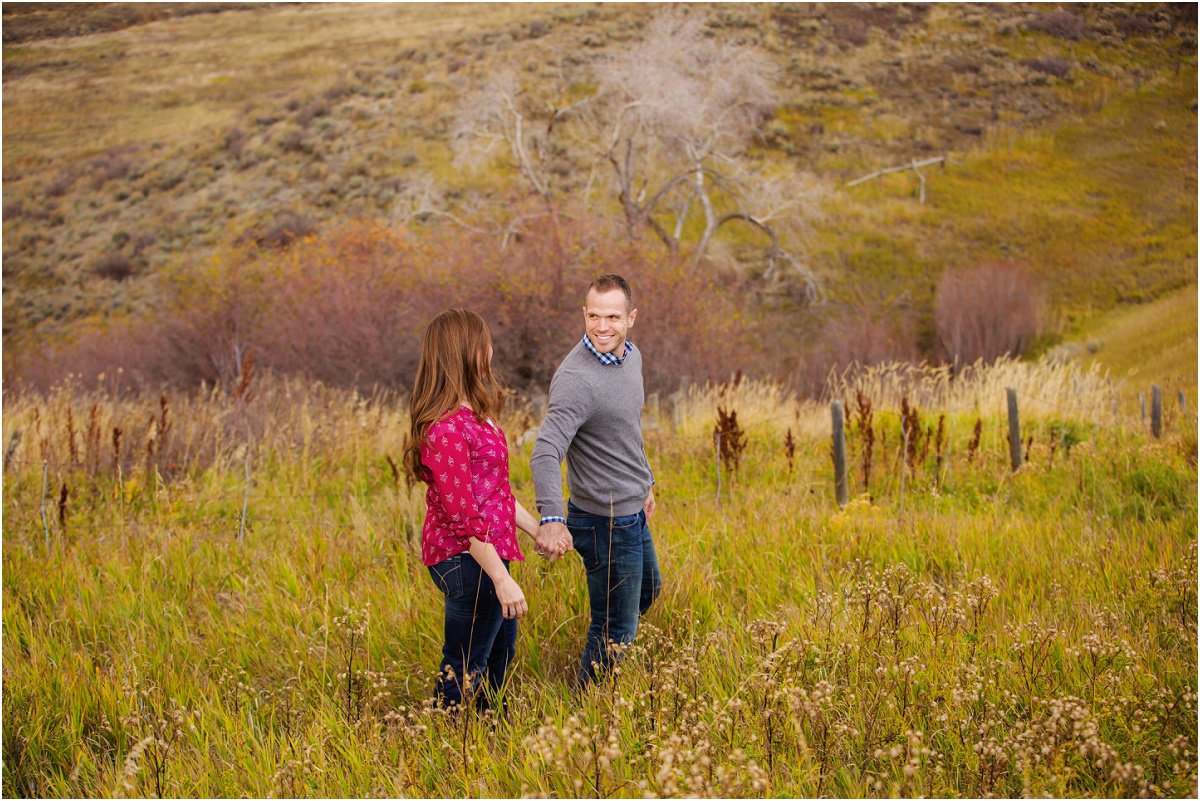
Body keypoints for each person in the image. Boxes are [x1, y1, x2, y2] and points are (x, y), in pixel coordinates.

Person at [404, 309, 566, 712]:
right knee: (464, 665)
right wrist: (500, 578)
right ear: (463, 351)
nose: (491, 350)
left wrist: (538, 529)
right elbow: (464, 516)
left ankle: (490, 738)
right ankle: (447, 744)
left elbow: (495, 495)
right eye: (484, 342)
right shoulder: (445, 428)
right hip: (466, 558)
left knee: (499, 657)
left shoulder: (476, 416)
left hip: (489, 552)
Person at [531, 273, 662, 688]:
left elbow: (627, 431)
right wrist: (551, 518)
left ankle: (602, 655)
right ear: (583, 314)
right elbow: (545, 451)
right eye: (593, 316)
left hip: (631, 510)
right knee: (614, 633)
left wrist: (646, 483)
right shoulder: (577, 380)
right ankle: (584, 713)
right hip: (603, 521)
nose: (602, 327)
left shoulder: (631, 357)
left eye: (612, 316)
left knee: (648, 592)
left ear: (631, 318)